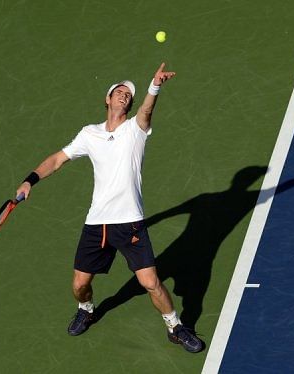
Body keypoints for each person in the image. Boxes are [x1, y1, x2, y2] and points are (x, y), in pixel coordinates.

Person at [15, 63, 202, 353]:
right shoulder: (89, 134)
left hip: (130, 223)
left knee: (150, 281)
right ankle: (86, 309)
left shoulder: (136, 129)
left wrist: (154, 87)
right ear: (107, 99)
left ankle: (175, 327)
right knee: (79, 285)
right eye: (119, 91)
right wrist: (30, 181)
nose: (125, 95)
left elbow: (147, 111)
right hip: (97, 224)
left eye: (129, 93)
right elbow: (57, 159)